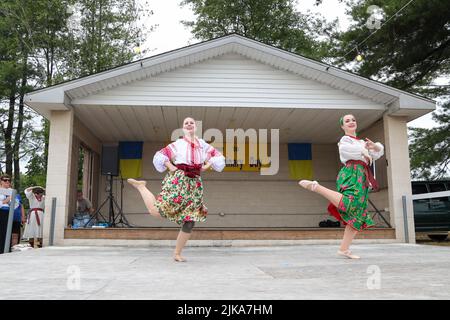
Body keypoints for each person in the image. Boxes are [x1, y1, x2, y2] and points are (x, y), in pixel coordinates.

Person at [127, 117, 225, 262]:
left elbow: (218, 156)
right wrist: (170, 165)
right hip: (179, 181)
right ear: (183, 128)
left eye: (191, 122)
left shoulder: (203, 145)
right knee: (157, 212)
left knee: (190, 220)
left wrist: (207, 164)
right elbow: (160, 155)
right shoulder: (178, 144)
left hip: (195, 184)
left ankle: (177, 253)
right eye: (186, 123)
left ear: (195, 127)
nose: (189, 124)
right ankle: (141, 187)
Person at [299, 114, 384, 259]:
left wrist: (374, 146)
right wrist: (363, 152)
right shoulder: (345, 140)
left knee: (357, 214)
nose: (351, 122)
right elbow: (345, 151)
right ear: (342, 126)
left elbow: (378, 153)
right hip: (351, 173)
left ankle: (344, 249)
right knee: (350, 204)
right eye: (347, 121)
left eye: (353, 120)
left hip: (362, 177)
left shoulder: (362, 142)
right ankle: (317, 187)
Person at [0, 175, 25, 252]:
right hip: (1, 211)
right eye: (5, 180)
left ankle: (6, 249)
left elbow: (17, 204)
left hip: (8, 213)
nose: (7, 182)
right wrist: (6, 201)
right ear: (0, 181)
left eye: (9, 180)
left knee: (7, 232)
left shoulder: (12, 191)